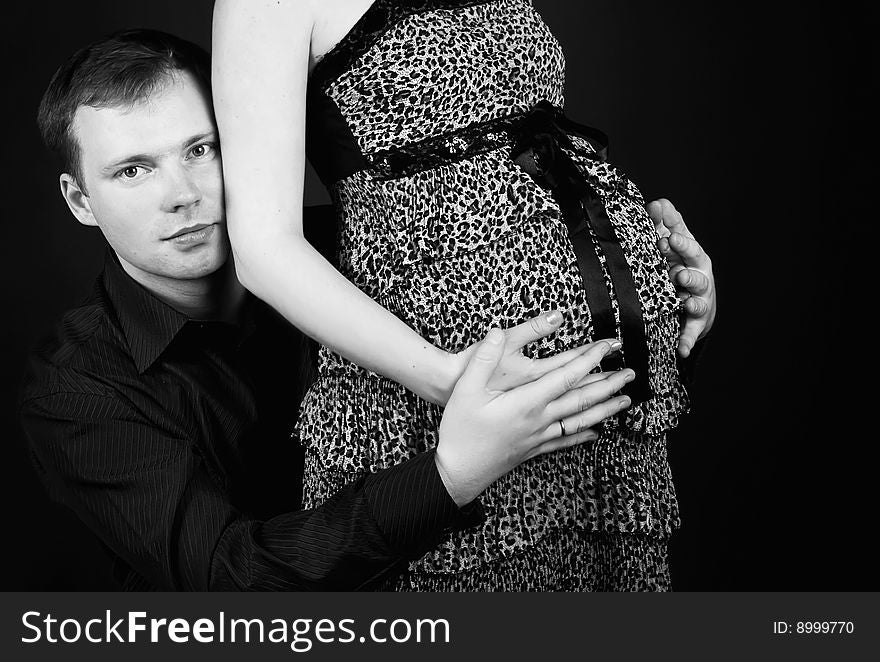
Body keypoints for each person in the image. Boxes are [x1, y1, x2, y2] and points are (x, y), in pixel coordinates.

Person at [20, 29, 638, 591]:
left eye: (201, 150)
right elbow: (235, 580)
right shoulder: (74, 387)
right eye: (133, 170)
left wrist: (652, 267)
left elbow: (557, 344)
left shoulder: (360, 255)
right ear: (79, 200)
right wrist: (449, 474)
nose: (181, 195)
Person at [212, 0, 716, 590]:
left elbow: (519, 147)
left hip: (596, 401)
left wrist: (650, 257)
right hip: (449, 405)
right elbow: (263, 250)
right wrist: (450, 379)